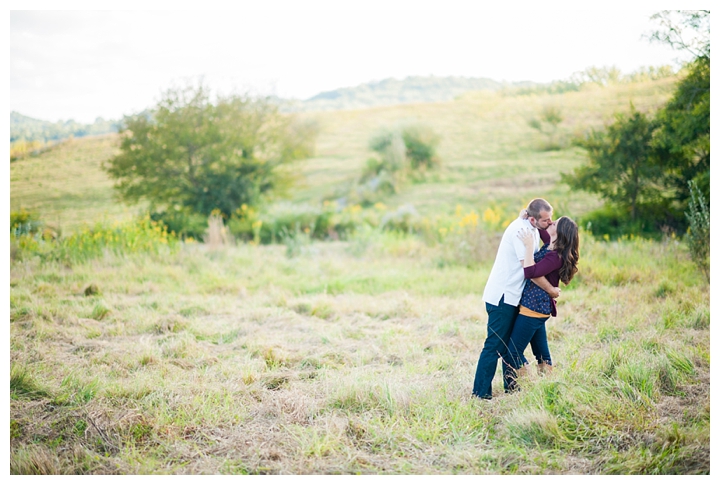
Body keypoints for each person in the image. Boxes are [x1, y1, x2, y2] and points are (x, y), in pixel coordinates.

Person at [472, 198, 560, 400]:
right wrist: (552, 291)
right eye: (546, 220)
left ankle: (512, 390)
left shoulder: (532, 227)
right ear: (532, 219)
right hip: (503, 297)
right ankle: (480, 395)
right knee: (494, 346)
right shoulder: (523, 232)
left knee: (507, 348)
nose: (549, 222)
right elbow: (530, 271)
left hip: (513, 297)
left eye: (551, 219)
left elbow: (549, 239)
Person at [502, 216, 580, 391]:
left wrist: (529, 246)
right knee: (542, 354)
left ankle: (522, 387)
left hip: (534, 308)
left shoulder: (555, 256)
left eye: (555, 223)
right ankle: (549, 386)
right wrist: (528, 215)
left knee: (512, 352)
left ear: (560, 233)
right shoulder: (551, 244)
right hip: (536, 307)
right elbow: (540, 228)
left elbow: (530, 271)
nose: (551, 223)